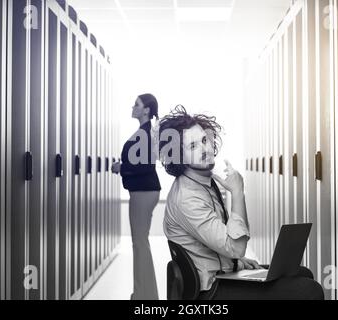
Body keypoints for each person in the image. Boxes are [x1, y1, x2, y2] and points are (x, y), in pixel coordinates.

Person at [159, 105, 324, 300]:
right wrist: (237, 193)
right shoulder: (187, 198)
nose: (205, 149)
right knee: (308, 290)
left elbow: (219, 242)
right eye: (193, 146)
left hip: (220, 274)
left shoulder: (204, 182)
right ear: (178, 156)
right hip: (210, 292)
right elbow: (235, 247)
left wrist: (238, 263)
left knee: (302, 273)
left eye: (205, 140)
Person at [112, 94, 161, 300]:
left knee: (140, 244)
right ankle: (144, 293)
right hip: (144, 192)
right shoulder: (145, 131)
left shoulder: (146, 132)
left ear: (147, 110)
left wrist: (121, 167)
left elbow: (146, 165)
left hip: (143, 192)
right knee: (140, 243)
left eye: (137, 104)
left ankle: (144, 297)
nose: (133, 107)